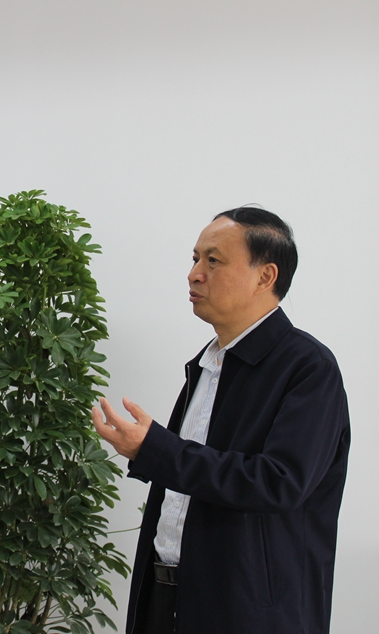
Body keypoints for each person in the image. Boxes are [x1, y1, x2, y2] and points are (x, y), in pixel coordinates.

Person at [91, 207, 349, 634]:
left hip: (248, 611)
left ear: (265, 276)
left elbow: (279, 482)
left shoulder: (309, 367)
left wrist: (155, 449)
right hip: (166, 593)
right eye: (195, 259)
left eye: (213, 261)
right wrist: (152, 450)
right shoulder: (208, 364)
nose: (194, 274)